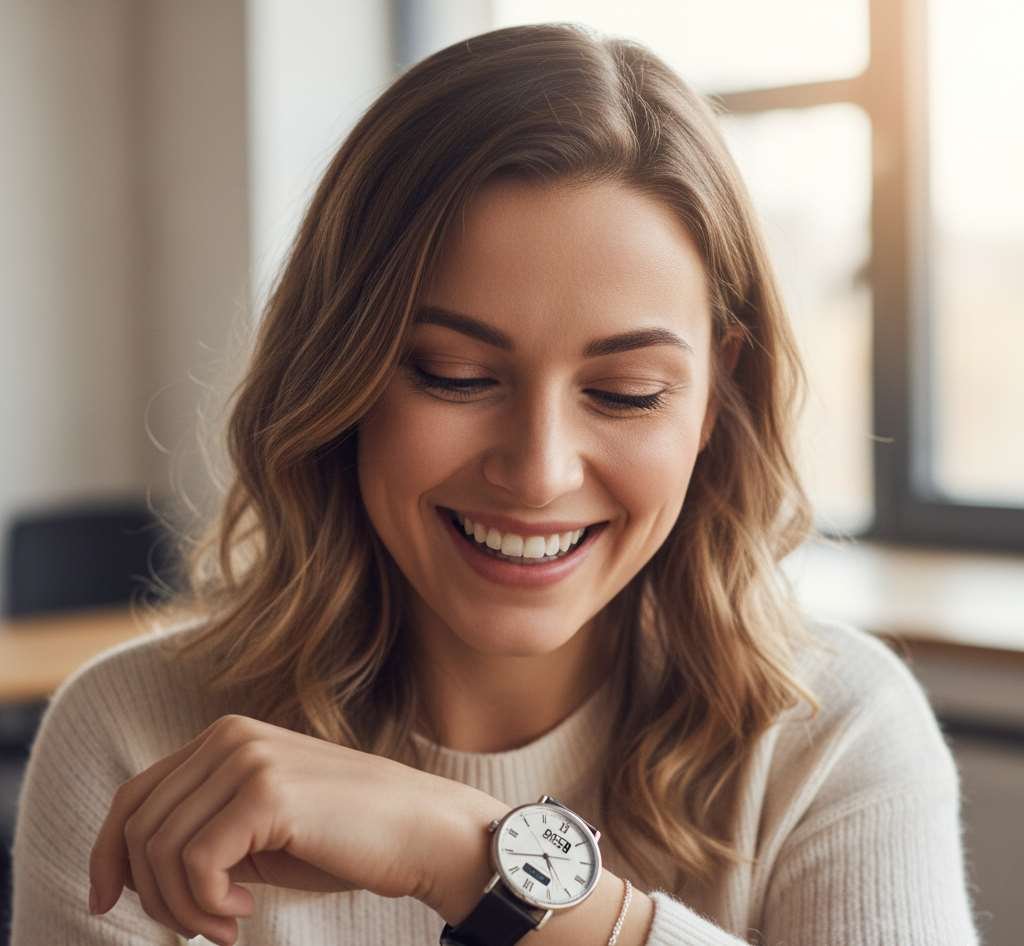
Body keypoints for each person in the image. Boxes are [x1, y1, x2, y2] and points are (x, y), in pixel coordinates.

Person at [11, 21, 980, 946]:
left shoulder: (833, 733)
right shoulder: (134, 738)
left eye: (626, 392)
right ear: (340, 375)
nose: (538, 471)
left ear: (714, 397)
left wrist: (467, 858)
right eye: (455, 376)